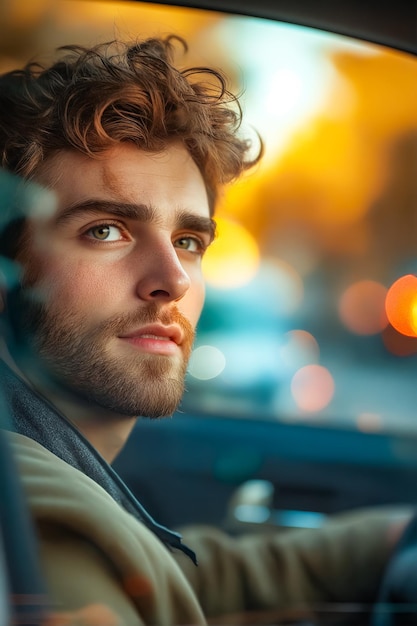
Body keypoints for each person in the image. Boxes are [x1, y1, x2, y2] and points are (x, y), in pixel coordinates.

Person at [0, 37, 412, 626]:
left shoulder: (71, 495)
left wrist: (393, 537)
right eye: (106, 230)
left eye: (188, 242)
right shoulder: (41, 527)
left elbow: (181, 575)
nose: (173, 280)